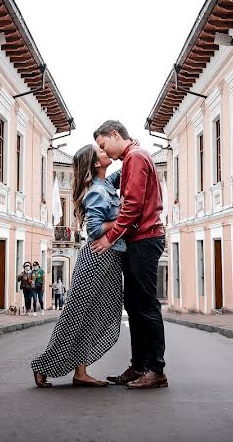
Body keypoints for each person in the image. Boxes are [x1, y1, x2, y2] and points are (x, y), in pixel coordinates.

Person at [30, 143, 126, 388]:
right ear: (95, 163)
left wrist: (128, 150)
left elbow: (121, 174)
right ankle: (43, 366)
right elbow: (94, 229)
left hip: (109, 259)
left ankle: (80, 372)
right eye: (102, 152)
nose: (106, 152)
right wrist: (121, 218)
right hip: (96, 259)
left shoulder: (105, 183)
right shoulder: (96, 191)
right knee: (75, 316)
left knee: (91, 316)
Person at [92, 119, 167, 389]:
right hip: (139, 240)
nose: (104, 151)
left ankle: (156, 370)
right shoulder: (131, 160)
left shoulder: (135, 157)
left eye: (103, 145)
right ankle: (139, 366)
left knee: (146, 305)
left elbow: (133, 206)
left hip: (145, 240)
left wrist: (109, 238)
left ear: (115, 135)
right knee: (134, 306)